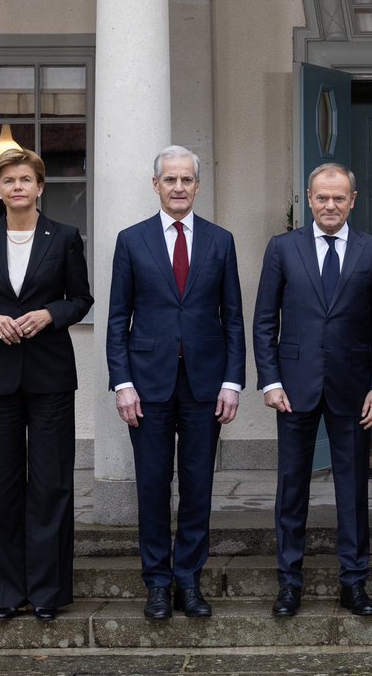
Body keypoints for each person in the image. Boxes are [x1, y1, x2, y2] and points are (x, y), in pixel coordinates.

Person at [0, 146, 93, 622]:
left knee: (52, 485)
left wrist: (50, 313)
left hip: (50, 376)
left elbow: (80, 298)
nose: (17, 187)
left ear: (40, 186)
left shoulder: (65, 237)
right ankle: (7, 592)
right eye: (8, 180)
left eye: (25, 179)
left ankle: (48, 591)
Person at [107, 145, 245, 620]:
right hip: (147, 386)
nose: (179, 187)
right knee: (152, 485)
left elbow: (233, 318)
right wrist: (122, 383)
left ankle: (188, 579)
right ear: (156, 185)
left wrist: (233, 382)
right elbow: (117, 319)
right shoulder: (131, 241)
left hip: (205, 385)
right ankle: (157, 583)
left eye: (187, 179)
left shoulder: (220, 241)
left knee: (198, 485)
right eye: (171, 179)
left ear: (198, 186)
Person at [253, 162, 372, 618]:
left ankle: (354, 581)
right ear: (309, 199)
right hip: (293, 389)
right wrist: (270, 381)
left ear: (352, 201)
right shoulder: (282, 248)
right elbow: (264, 321)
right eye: (322, 197)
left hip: (354, 389)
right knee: (292, 487)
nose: (330, 205)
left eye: (338, 198)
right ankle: (289, 583)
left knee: (352, 490)